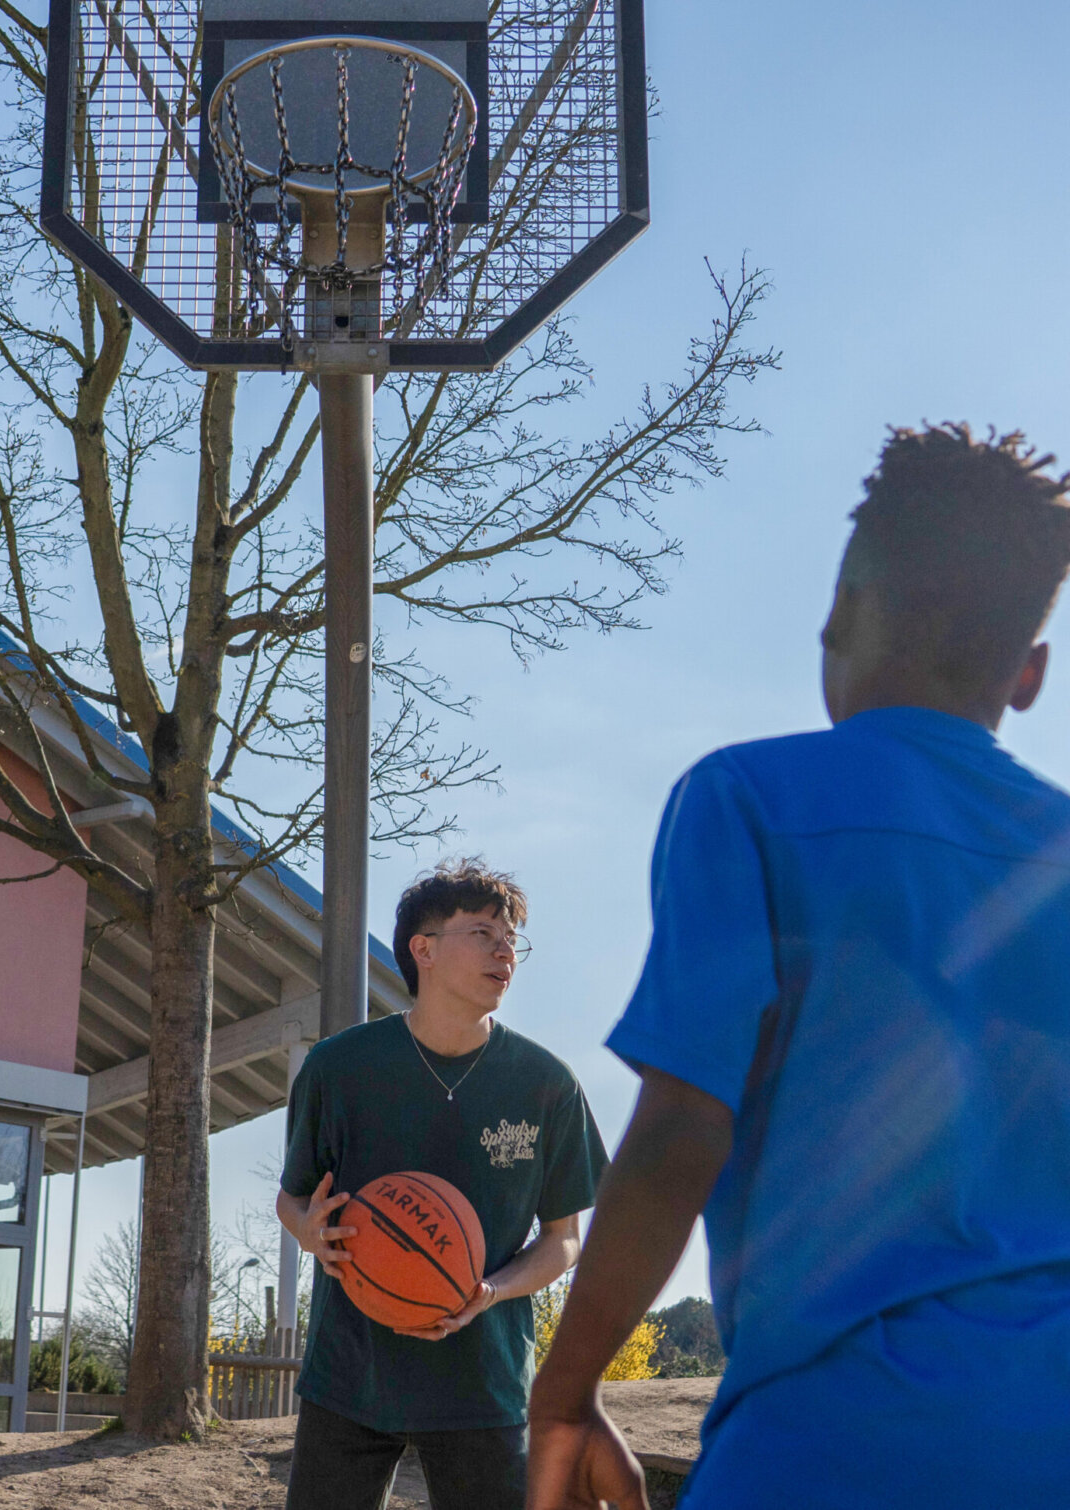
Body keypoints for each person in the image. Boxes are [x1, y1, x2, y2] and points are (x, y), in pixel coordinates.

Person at [527, 424, 1070, 1509]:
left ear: (838, 617)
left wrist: (567, 1390)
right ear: (1028, 675)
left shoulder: (747, 799)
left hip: (823, 1442)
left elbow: (680, 1132)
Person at [278, 858, 608, 1510]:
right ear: (422, 949)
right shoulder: (338, 1068)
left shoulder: (547, 1083)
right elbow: (292, 1198)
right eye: (484, 933)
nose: (505, 951)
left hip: (483, 1383)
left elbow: (564, 1239)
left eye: (512, 938)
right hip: (351, 1376)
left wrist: (492, 1291)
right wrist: (308, 1232)